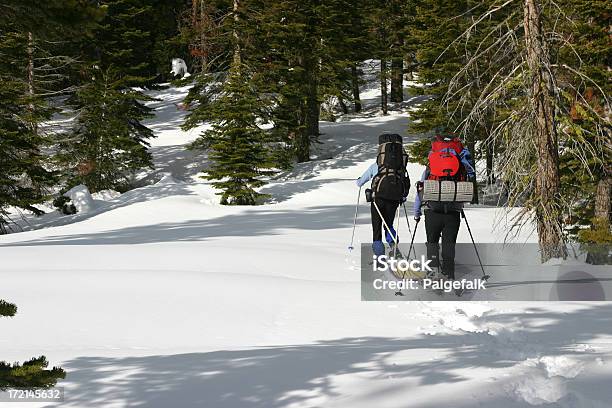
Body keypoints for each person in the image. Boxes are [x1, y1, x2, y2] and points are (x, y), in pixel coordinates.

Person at [413, 135, 475, 280]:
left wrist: (417, 212)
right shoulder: (459, 165)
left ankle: (432, 272)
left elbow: (421, 190)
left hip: (433, 210)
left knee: (432, 243)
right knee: (449, 244)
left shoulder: (432, 167)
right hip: (453, 212)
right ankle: (449, 274)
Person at [356, 134, 410, 258]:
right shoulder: (400, 167)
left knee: (377, 228)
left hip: (378, 199)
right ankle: (394, 248)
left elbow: (359, 183)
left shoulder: (377, 166)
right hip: (394, 199)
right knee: (389, 224)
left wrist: (359, 180)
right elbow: (406, 182)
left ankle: (380, 256)